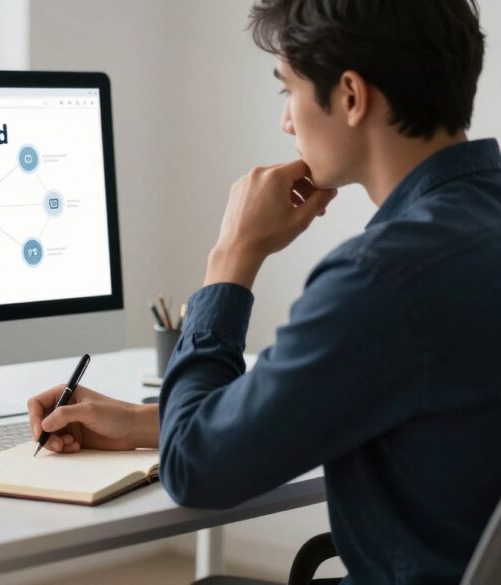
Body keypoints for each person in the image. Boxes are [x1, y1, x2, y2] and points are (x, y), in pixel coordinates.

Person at [27, 0, 501, 583]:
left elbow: (194, 471)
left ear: (351, 96)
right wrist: (146, 421)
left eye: (287, 90)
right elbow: (367, 400)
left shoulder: (382, 280)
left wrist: (232, 256)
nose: (286, 122)